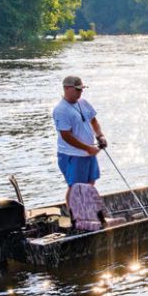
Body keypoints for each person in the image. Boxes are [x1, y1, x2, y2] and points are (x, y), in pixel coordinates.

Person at [52, 75, 107, 206]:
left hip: (88, 153)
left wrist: (100, 136)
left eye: (81, 89)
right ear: (66, 88)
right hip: (73, 155)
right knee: (75, 187)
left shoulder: (84, 102)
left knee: (90, 183)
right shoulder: (61, 110)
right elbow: (66, 136)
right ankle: (74, 217)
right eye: (77, 89)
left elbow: (93, 120)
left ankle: (87, 211)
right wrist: (87, 148)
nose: (80, 92)